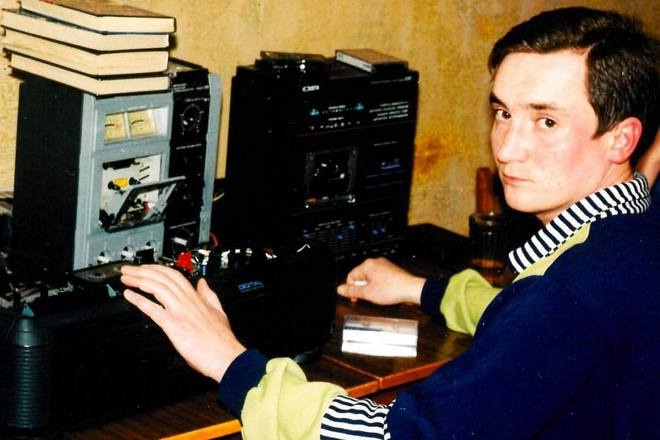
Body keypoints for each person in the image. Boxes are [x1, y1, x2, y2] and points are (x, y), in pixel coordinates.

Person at [120, 6, 659, 439]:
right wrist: (420, 289)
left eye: (546, 121)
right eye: (503, 113)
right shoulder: (633, 235)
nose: (507, 148)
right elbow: (531, 321)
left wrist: (231, 361)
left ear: (622, 138)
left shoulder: (562, 300)